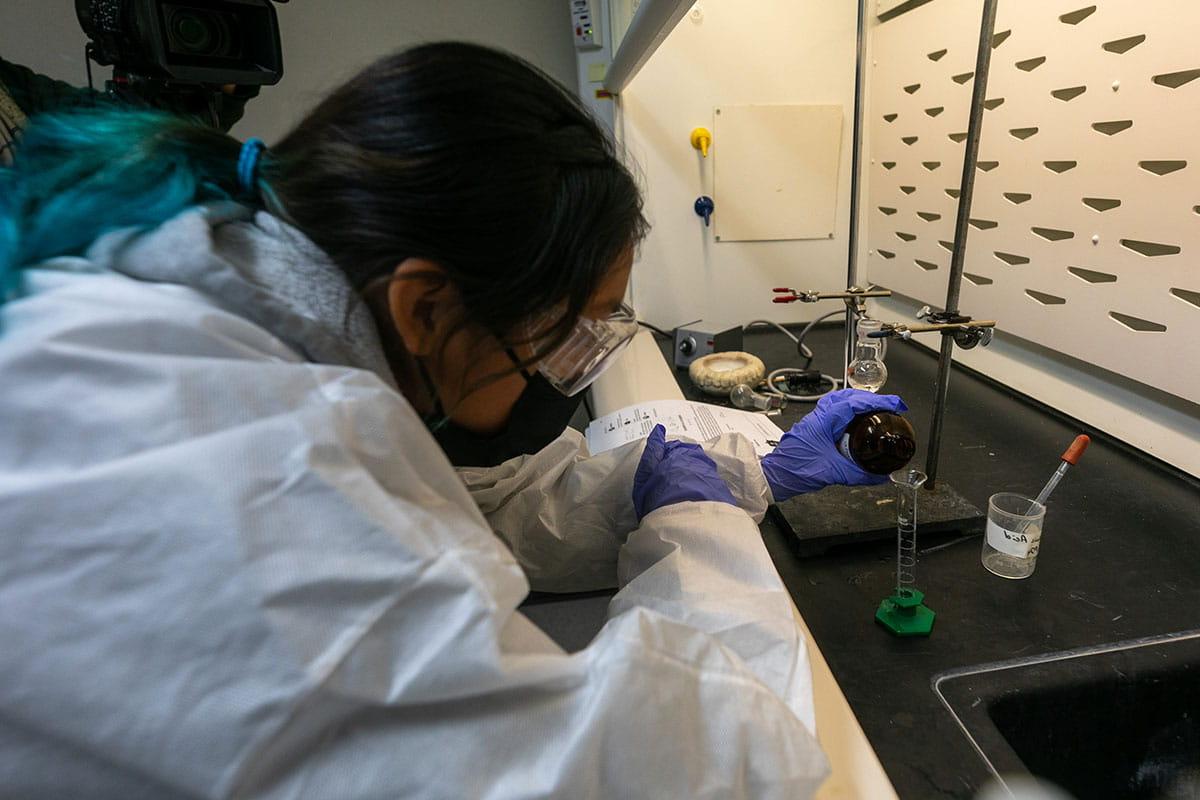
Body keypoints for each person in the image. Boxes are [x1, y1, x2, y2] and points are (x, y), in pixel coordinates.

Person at [0, 42, 904, 798]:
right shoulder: (242, 459)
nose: (556, 373)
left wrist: (740, 475)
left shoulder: (218, 303)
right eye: (563, 333)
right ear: (427, 309)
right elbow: (702, 770)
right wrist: (704, 533)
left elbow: (457, 509)